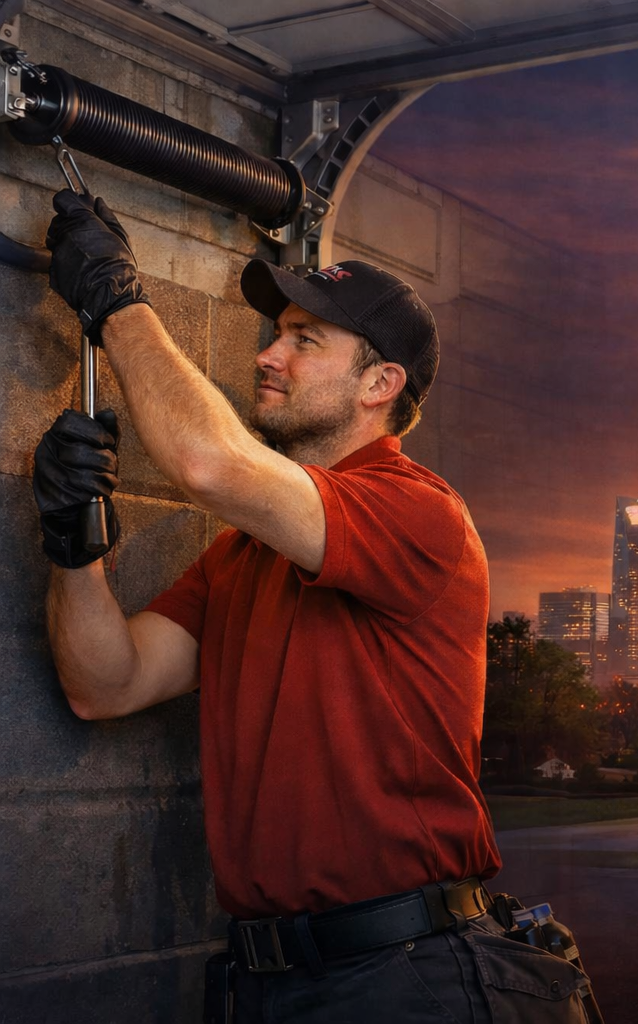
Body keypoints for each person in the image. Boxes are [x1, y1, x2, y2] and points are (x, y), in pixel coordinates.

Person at [35, 190, 591, 1022]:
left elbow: (208, 465)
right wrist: (73, 546)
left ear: (380, 383)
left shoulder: (420, 514)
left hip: (406, 980)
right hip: (268, 981)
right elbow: (106, 684)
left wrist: (119, 301)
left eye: (305, 340)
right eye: (274, 333)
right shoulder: (244, 555)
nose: (268, 355)